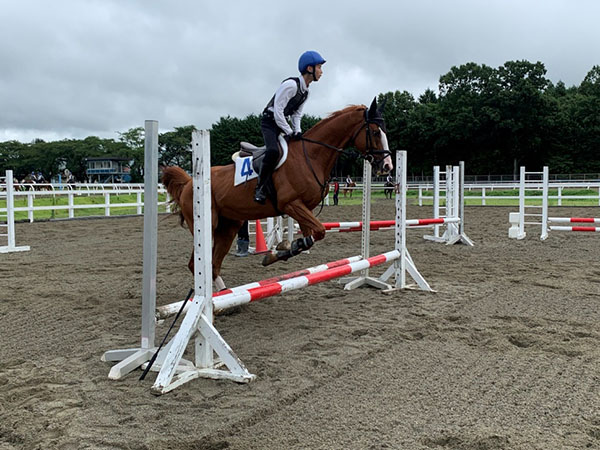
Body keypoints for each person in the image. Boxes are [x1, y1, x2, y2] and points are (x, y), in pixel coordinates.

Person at [254, 50, 326, 204]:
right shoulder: (291, 86)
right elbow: (278, 111)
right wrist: (289, 131)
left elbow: (296, 115)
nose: (321, 72)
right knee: (273, 151)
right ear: (309, 68)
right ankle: (260, 187)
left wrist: (298, 131)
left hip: (281, 124)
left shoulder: (306, 92)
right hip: (269, 122)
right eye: (319, 67)